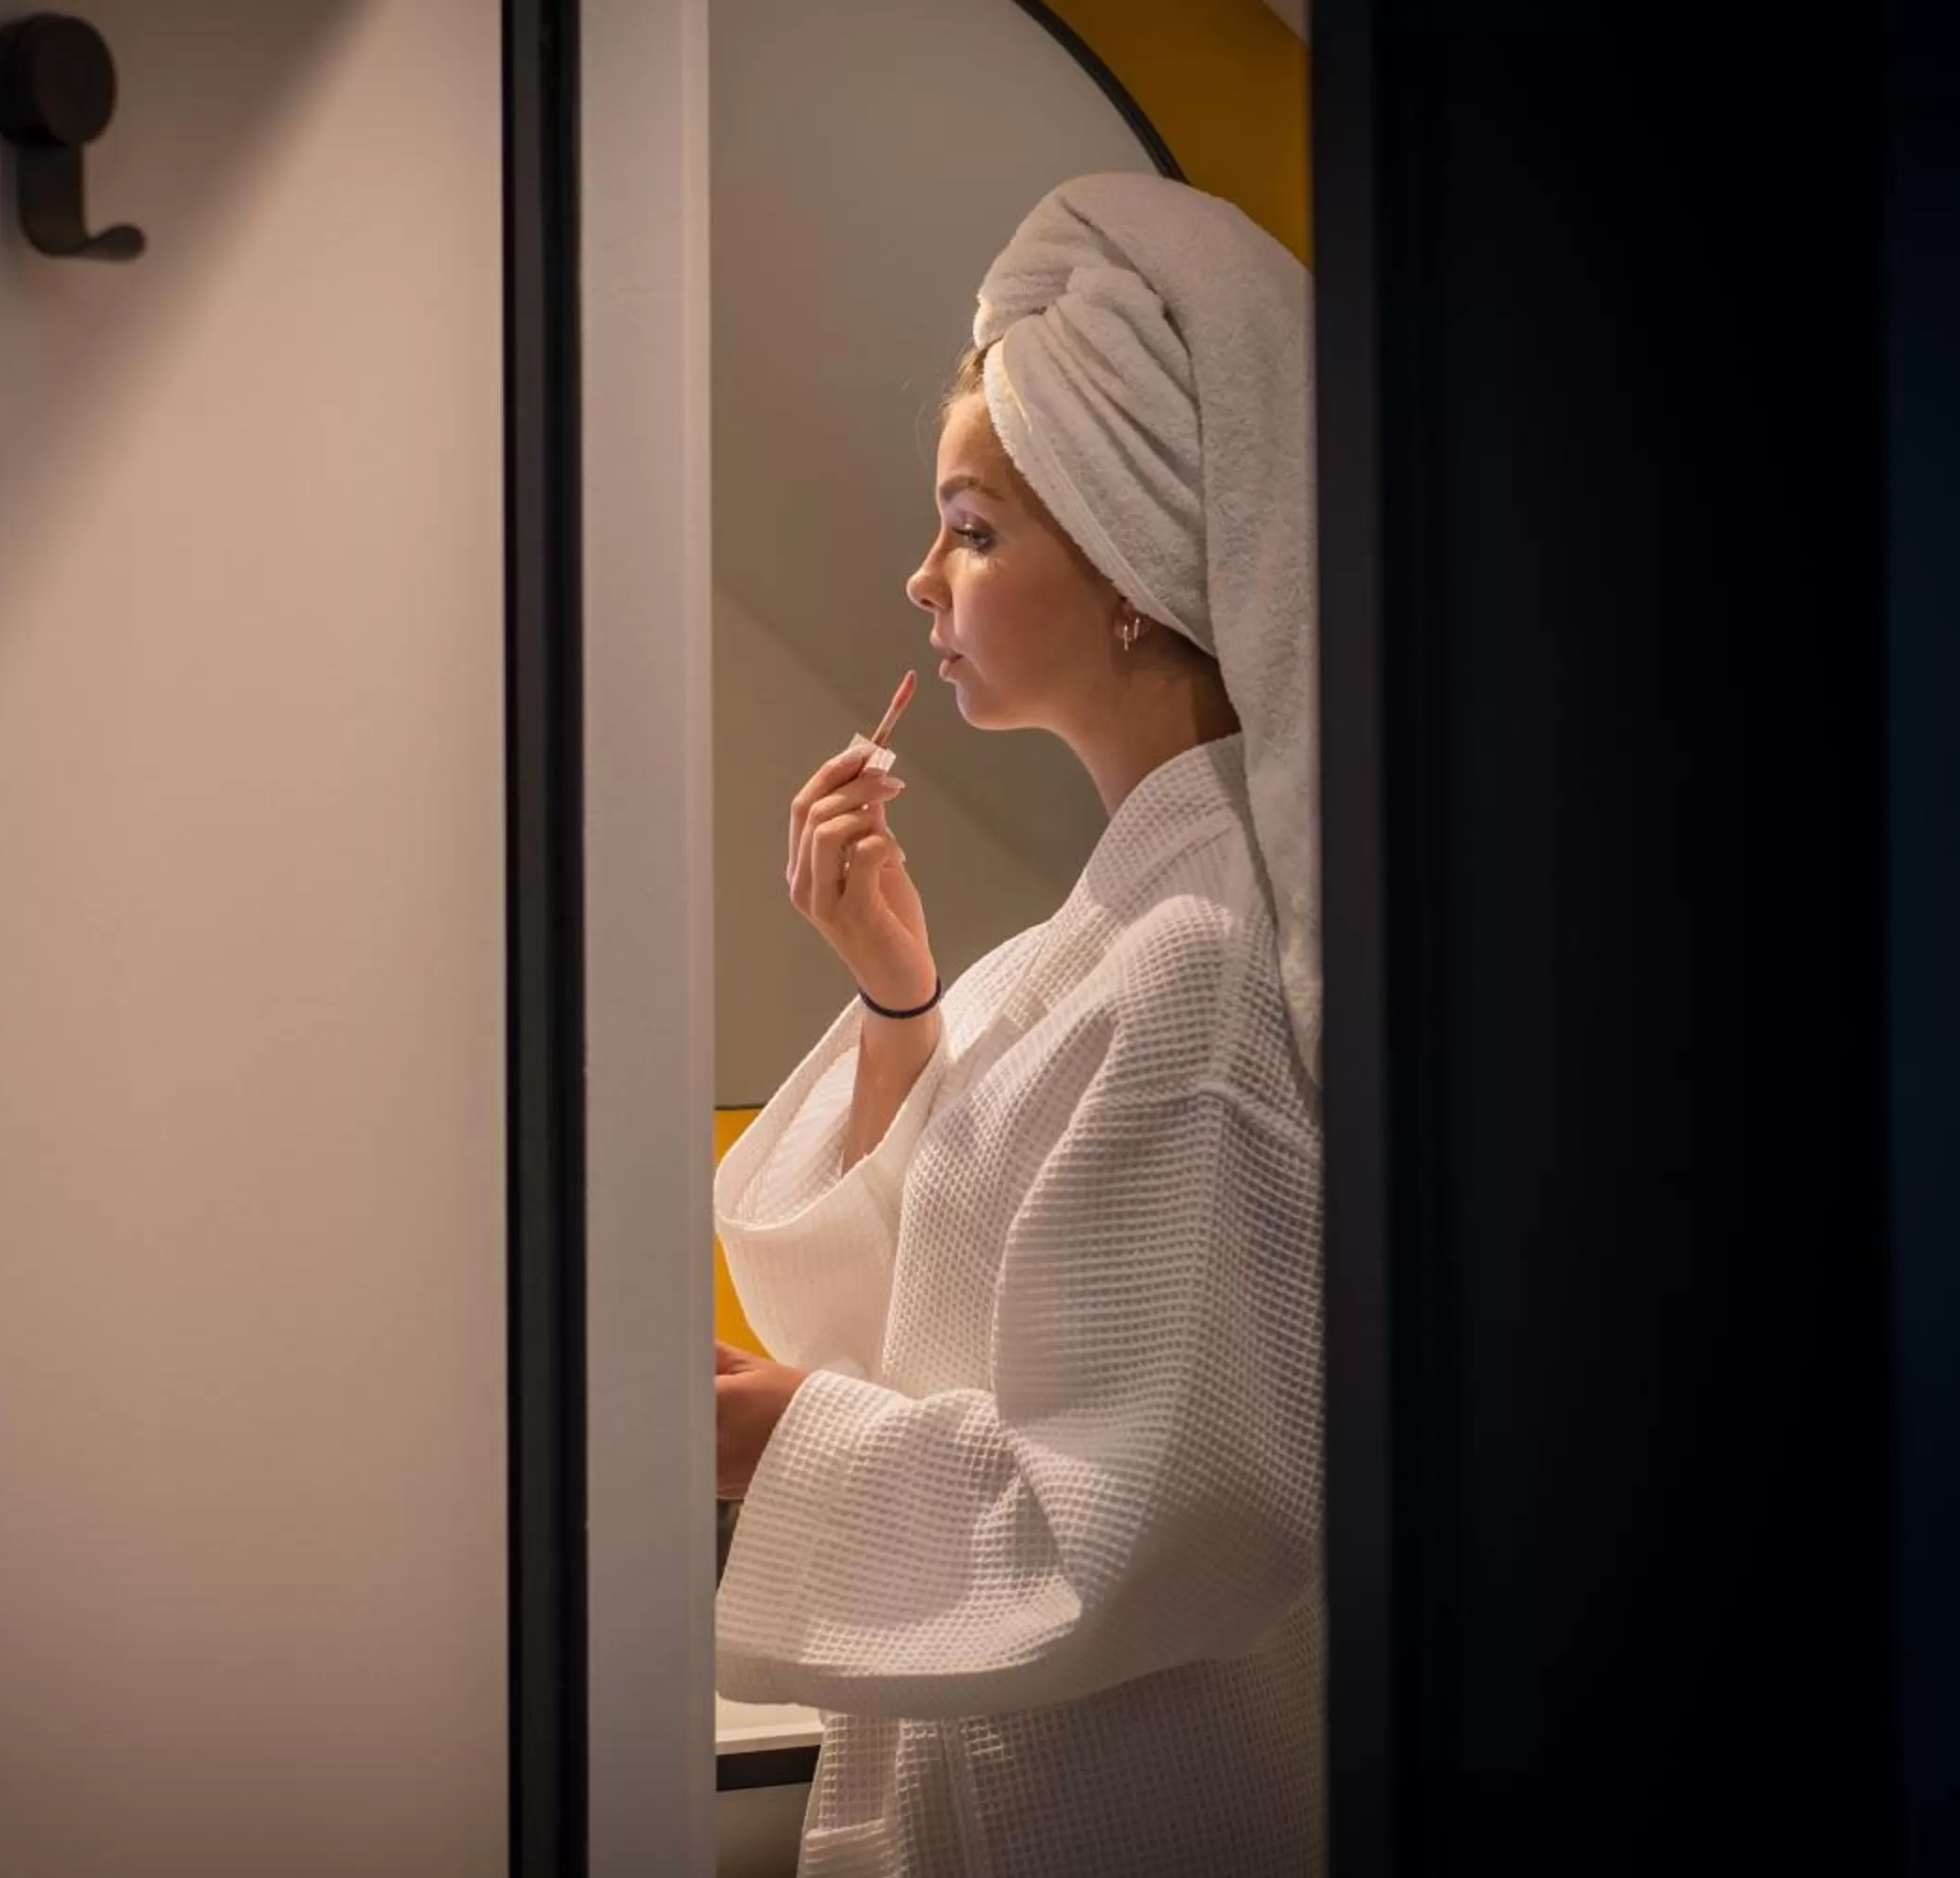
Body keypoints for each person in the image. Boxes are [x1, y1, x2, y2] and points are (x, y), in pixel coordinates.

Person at [710, 174, 1324, 1876]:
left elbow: (1147, 1513)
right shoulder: (1107, 941)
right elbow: (940, 1310)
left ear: (1132, 564)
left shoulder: (1191, 966)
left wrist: (774, 1435)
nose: (922, 578)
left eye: (973, 528)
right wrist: (899, 995)